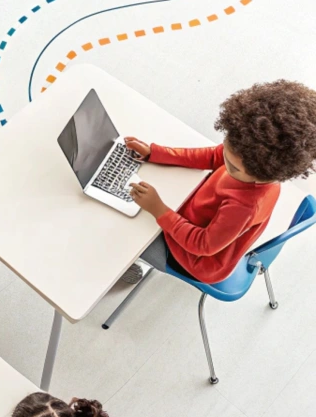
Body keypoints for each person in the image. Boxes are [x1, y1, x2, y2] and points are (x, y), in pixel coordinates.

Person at [123, 79, 316, 284]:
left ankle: (128, 267)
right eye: (226, 151)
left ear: (265, 172)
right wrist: (156, 153)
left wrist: (159, 210)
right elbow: (212, 156)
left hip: (195, 261)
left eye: (232, 167)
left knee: (128, 229)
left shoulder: (244, 206)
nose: (223, 161)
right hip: (193, 219)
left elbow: (202, 245)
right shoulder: (249, 156)